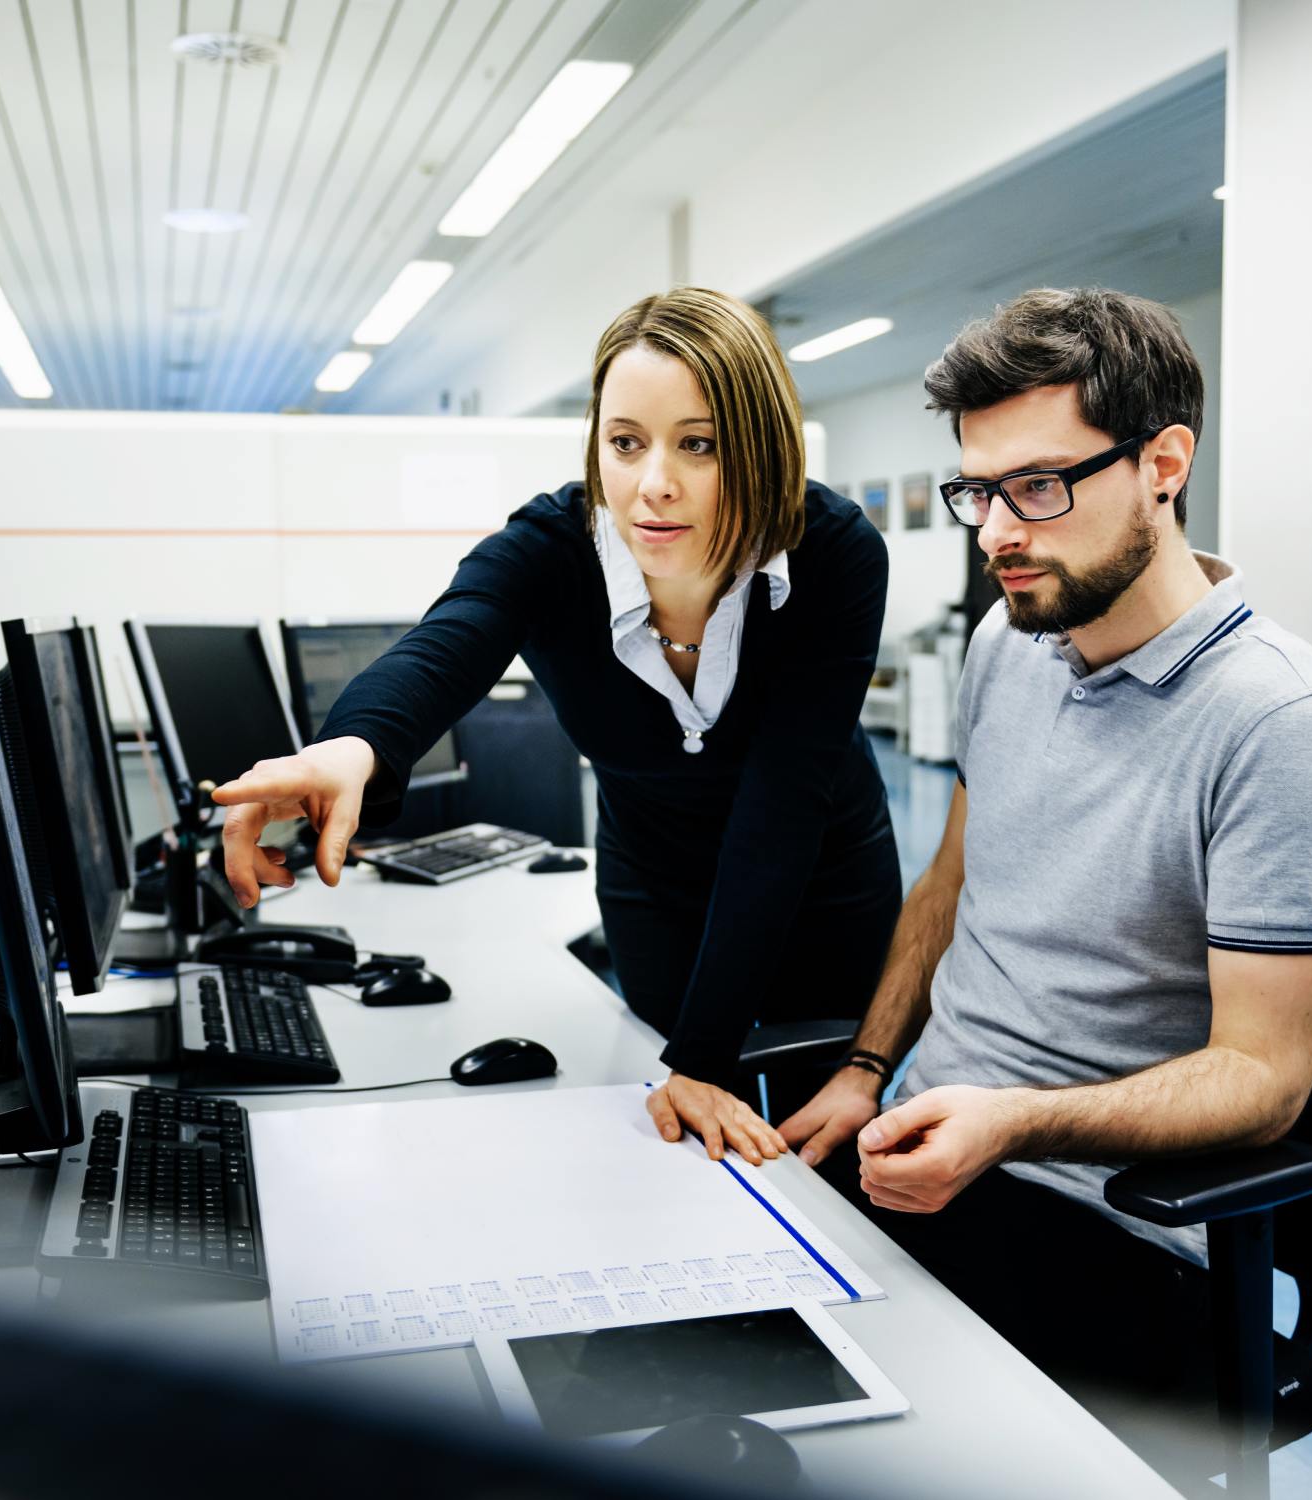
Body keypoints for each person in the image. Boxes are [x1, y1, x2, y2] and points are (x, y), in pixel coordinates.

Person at [777, 288, 1312, 1425]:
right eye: (977, 491)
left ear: (1163, 462)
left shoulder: (1275, 724)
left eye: (1040, 487)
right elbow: (953, 882)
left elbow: (1264, 1078)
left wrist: (1011, 1119)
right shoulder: (1013, 637)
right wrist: (864, 1069)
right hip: (937, 1158)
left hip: (1114, 1224)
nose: (998, 532)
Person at [214, 287, 902, 1165]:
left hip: (817, 874)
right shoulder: (550, 547)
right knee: (681, 1140)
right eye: (625, 443)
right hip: (652, 875)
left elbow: (782, 808)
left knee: (817, 1142)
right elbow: (445, 644)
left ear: (761, 446)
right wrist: (351, 749)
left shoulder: (834, 553)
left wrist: (705, 1056)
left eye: (699, 444)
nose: (652, 483)